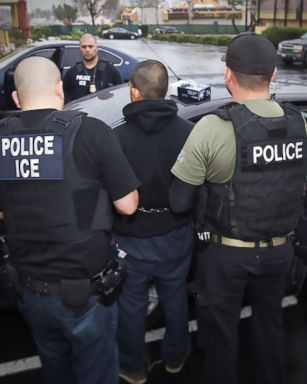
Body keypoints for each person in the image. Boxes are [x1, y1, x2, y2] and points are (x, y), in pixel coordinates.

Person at [169, 32, 307, 384]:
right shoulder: (300, 124)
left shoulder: (213, 128)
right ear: (274, 74)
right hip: (280, 251)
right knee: (270, 326)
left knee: (220, 337)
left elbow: (179, 200)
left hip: (225, 254)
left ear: (228, 75)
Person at [0, 56, 140, 384]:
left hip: (29, 288)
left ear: (17, 98)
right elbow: (129, 206)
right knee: (97, 372)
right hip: (84, 291)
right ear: (60, 89)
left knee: (55, 369)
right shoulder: (90, 131)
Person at [113, 60, 194, 384]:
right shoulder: (190, 133)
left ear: (134, 92)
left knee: (130, 307)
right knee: (175, 299)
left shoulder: (115, 137)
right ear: (164, 92)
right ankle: (175, 358)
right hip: (176, 233)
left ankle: (133, 367)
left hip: (130, 238)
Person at [63, 33, 123, 103]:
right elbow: (65, 96)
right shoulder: (72, 72)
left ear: (97, 48)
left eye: (90, 46)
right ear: (80, 48)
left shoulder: (110, 70)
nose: (87, 50)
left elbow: (120, 93)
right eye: (84, 47)